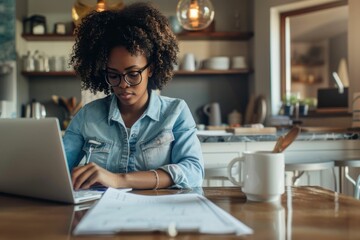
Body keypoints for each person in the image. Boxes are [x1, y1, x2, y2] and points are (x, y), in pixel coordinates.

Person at [63, 2, 204, 191]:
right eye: (113, 75)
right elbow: (59, 169)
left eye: (133, 74)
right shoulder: (88, 116)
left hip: (158, 215)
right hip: (102, 215)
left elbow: (193, 171)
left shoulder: (176, 112)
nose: (123, 84)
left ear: (151, 69)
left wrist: (120, 180)